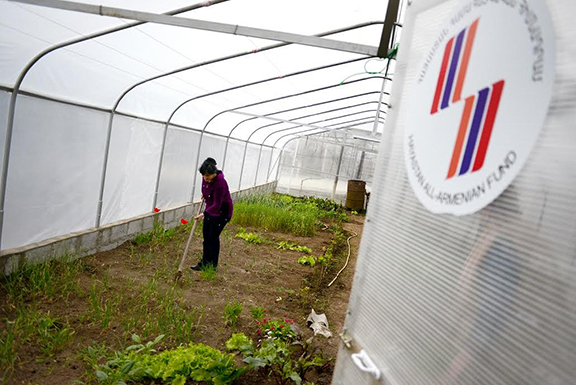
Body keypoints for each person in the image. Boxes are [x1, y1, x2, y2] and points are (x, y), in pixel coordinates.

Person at [191, 157, 233, 271]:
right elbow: (205, 189)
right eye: (204, 176)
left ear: (214, 173)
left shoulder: (221, 183)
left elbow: (217, 204)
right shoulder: (205, 177)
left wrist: (203, 214)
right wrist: (205, 194)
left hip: (222, 213)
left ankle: (212, 265)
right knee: (206, 238)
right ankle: (204, 263)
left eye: (208, 177)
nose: (206, 179)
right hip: (210, 210)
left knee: (213, 238)